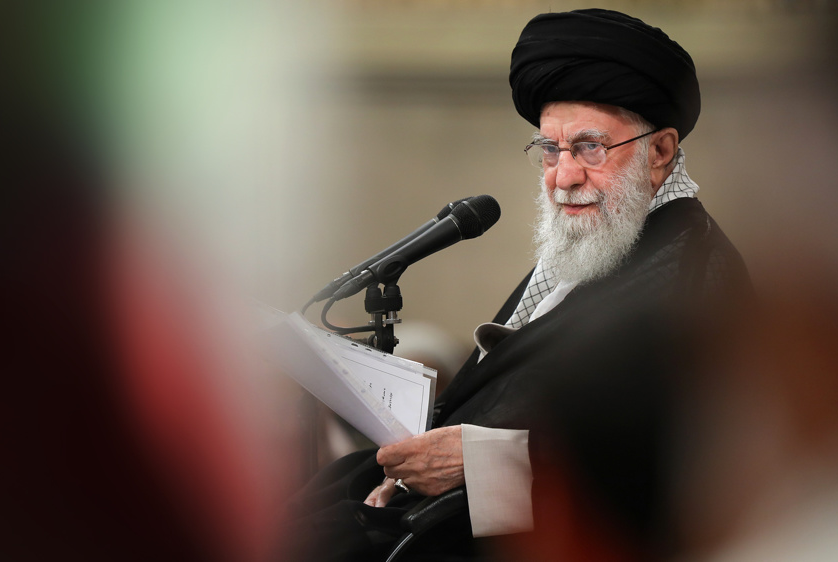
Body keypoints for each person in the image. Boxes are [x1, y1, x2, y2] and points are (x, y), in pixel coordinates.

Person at [286, 9, 749, 561]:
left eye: (590, 148)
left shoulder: (697, 274)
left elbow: (681, 472)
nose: (564, 175)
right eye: (550, 150)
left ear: (661, 152)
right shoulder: (604, 241)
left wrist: (473, 464)